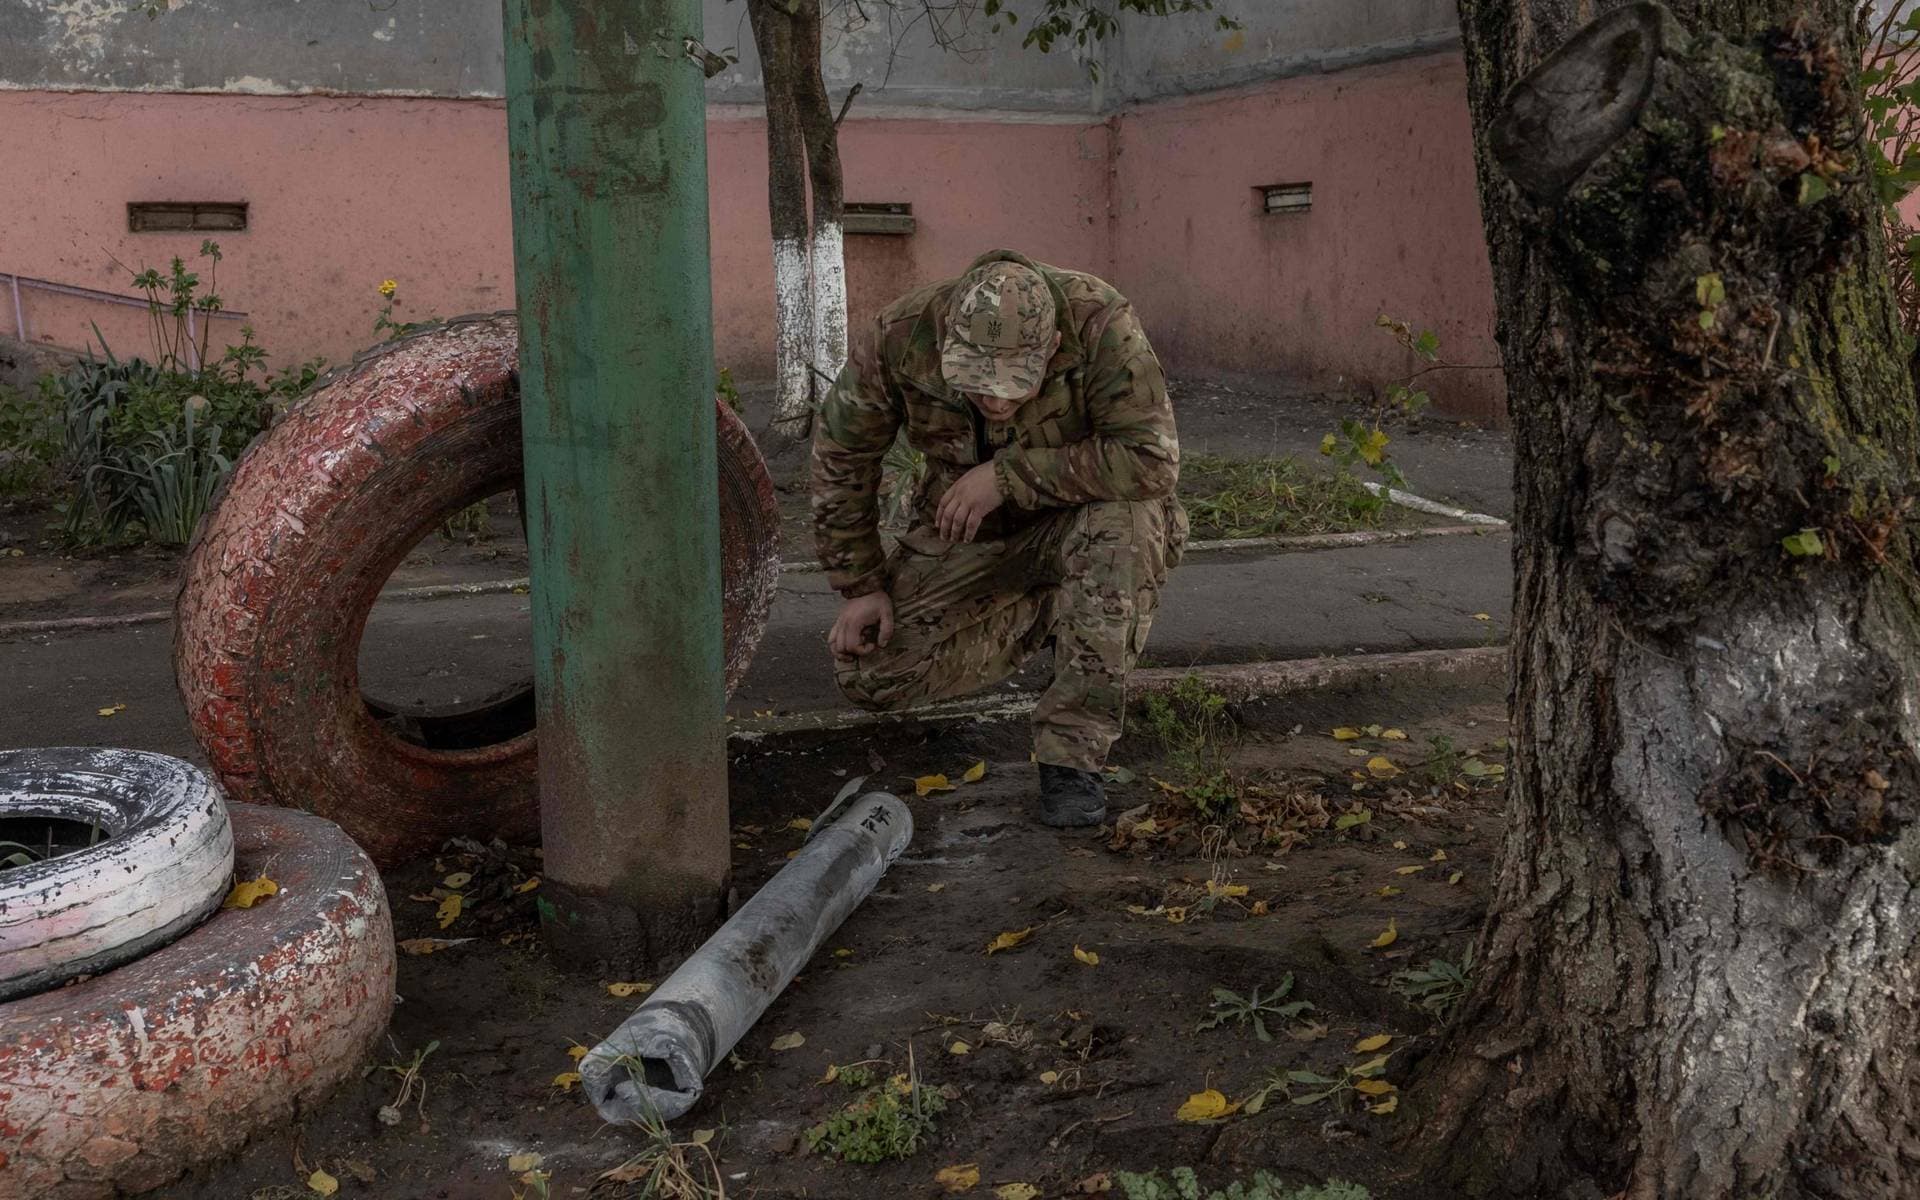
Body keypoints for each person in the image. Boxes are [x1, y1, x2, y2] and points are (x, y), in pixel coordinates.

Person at [811, 248, 1187, 827]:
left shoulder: (1100, 322)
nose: (996, 403)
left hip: (1082, 524)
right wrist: (861, 583)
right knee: (871, 674)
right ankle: (1058, 612)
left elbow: (1152, 461)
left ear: (1052, 348)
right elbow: (843, 455)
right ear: (948, 342)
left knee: (1126, 529)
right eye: (979, 383)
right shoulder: (900, 336)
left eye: (1015, 385)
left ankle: (1071, 755)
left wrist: (1009, 477)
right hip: (969, 533)